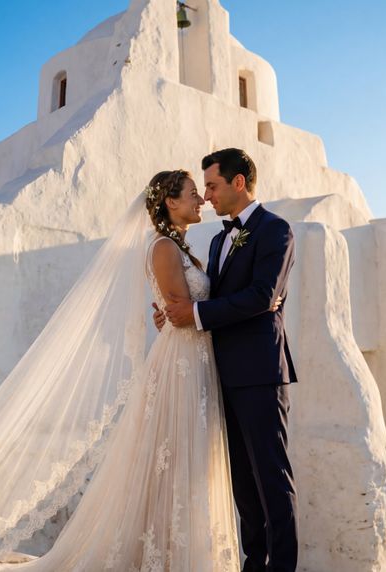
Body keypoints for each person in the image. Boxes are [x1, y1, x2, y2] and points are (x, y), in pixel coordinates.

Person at [0, 169, 257, 571]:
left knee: (190, 459)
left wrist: (176, 312)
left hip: (193, 359)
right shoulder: (163, 247)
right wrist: (184, 312)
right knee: (177, 457)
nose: (201, 197)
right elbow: (183, 311)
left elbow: (179, 308)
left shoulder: (180, 246)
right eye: (191, 192)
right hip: (181, 363)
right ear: (168, 201)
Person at [157, 148, 299, 572]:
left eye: (213, 186)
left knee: (272, 478)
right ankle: (254, 565)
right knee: (243, 485)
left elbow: (261, 295)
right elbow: (217, 299)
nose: (207, 195)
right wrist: (174, 314)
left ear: (239, 183)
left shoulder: (276, 230)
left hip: (259, 373)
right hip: (221, 375)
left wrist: (196, 314)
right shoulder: (219, 240)